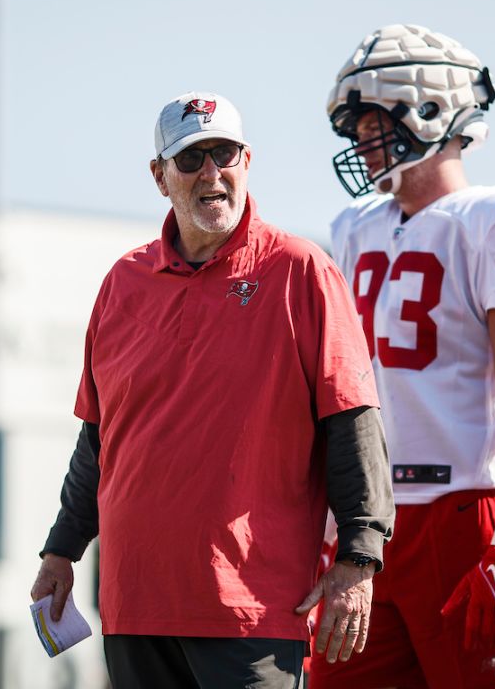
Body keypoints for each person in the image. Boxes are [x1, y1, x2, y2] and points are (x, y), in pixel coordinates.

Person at [28, 91, 395, 689]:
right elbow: (99, 438)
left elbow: (352, 421)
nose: (210, 174)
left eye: (223, 154)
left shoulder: (301, 271)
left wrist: (358, 558)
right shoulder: (122, 283)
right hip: (134, 604)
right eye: (190, 158)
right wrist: (60, 550)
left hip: (251, 609)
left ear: (246, 161)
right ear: (159, 176)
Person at [312, 24, 495, 689]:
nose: (360, 144)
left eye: (372, 123)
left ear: (427, 110)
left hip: (466, 512)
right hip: (372, 521)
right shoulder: (353, 229)